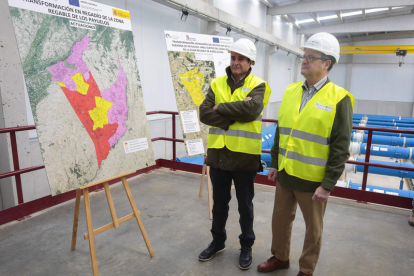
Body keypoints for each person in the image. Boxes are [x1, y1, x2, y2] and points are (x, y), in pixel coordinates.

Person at [257, 32, 354, 276]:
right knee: (279, 222)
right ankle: (280, 257)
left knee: (313, 229)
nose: (305, 60)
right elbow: (282, 131)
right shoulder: (291, 91)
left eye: (311, 57)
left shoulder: (339, 99)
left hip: (314, 181)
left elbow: (341, 147)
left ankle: (306, 270)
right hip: (286, 173)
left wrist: (328, 184)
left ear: (326, 64)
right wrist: (274, 162)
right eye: (304, 56)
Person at [198, 38, 271, 270]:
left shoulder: (259, 84)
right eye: (233, 58)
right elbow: (204, 114)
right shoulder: (217, 83)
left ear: (251, 62)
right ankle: (217, 241)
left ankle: (246, 245)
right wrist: (234, 112)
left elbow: (251, 110)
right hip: (218, 154)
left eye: (241, 59)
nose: (236, 62)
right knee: (219, 204)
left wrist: (220, 107)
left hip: (244, 156)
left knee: (244, 206)